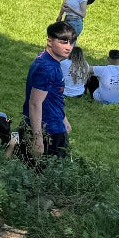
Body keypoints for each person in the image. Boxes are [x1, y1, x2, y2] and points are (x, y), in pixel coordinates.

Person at [23, 20, 76, 160]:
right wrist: (38, 139)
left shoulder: (47, 60)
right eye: (63, 42)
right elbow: (34, 103)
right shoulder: (48, 68)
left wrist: (63, 118)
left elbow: (52, 95)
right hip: (49, 131)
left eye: (71, 42)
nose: (69, 47)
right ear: (50, 41)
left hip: (54, 125)